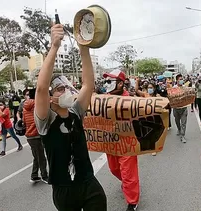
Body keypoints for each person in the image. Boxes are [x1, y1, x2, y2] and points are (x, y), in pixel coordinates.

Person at [34, 23, 106, 211]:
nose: (65, 91)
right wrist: (55, 46)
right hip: (64, 190)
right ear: (50, 98)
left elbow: (88, 85)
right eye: (59, 89)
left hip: (89, 184)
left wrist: (83, 47)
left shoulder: (75, 112)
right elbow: (41, 88)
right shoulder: (45, 121)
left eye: (66, 87)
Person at [102, 69, 139, 211]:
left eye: (109, 81)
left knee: (128, 172)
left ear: (120, 84)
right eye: (106, 81)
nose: (107, 84)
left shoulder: (129, 100)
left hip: (127, 143)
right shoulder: (102, 99)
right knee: (114, 169)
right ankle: (127, 184)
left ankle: (132, 201)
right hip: (110, 142)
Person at [22, 88, 49, 183]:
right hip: (37, 134)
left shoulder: (25, 106)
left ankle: (34, 175)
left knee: (36, 156)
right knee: (41, 157)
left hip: (29, 135)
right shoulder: (38, 105)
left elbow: (24, 121)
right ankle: (44, 176)